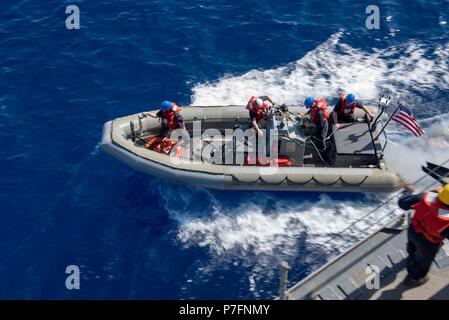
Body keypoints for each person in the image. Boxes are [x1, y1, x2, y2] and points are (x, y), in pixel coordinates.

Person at [398, 183, 449, 286]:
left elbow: (403, 203)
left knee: (412, 247)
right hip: (429, 243)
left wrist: (408, 191)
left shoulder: (427, 196)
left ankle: (411, 257)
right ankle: (415, 278)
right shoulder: (446, 223)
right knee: (423, 261)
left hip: (413, 230)